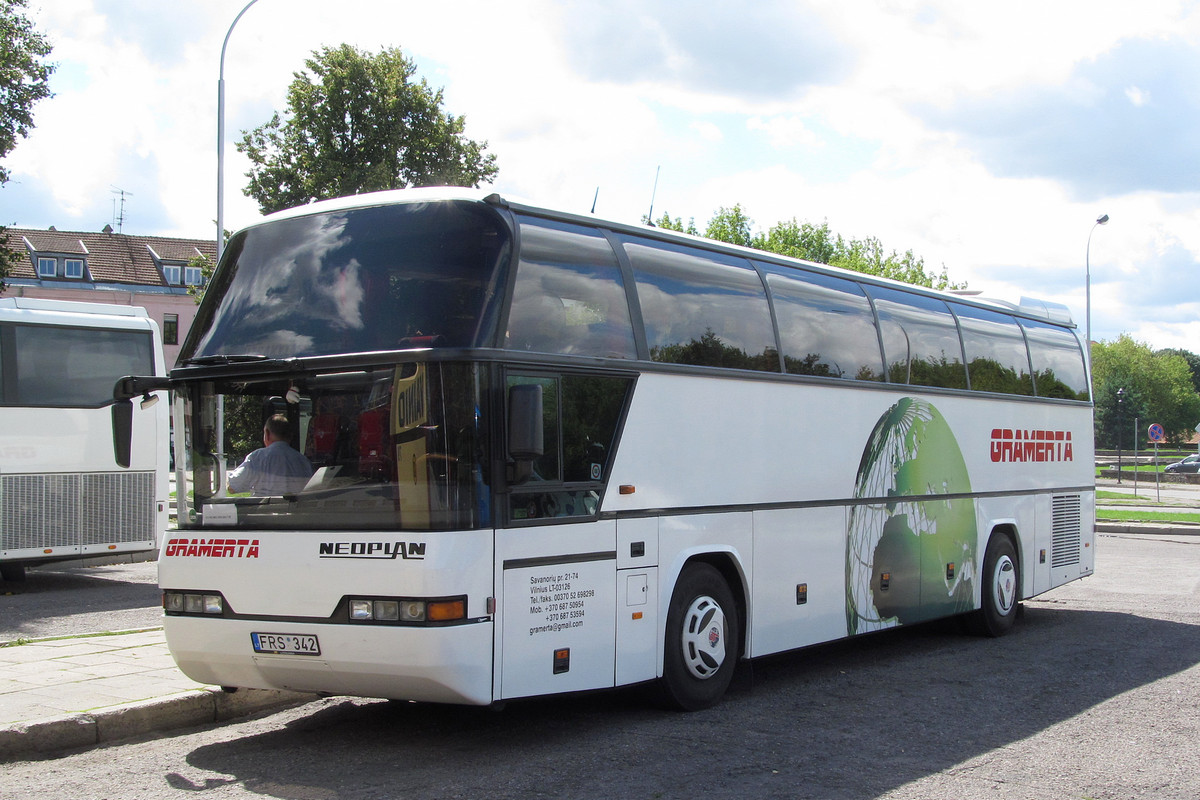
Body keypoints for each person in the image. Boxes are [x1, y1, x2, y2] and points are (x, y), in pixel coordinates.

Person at [227, 414, 313, 496]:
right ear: (290, 436)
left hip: (265, 510)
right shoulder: (304, 461)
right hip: (297, 511)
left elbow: (232, 487)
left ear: (267, 434)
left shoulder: (257, 458)